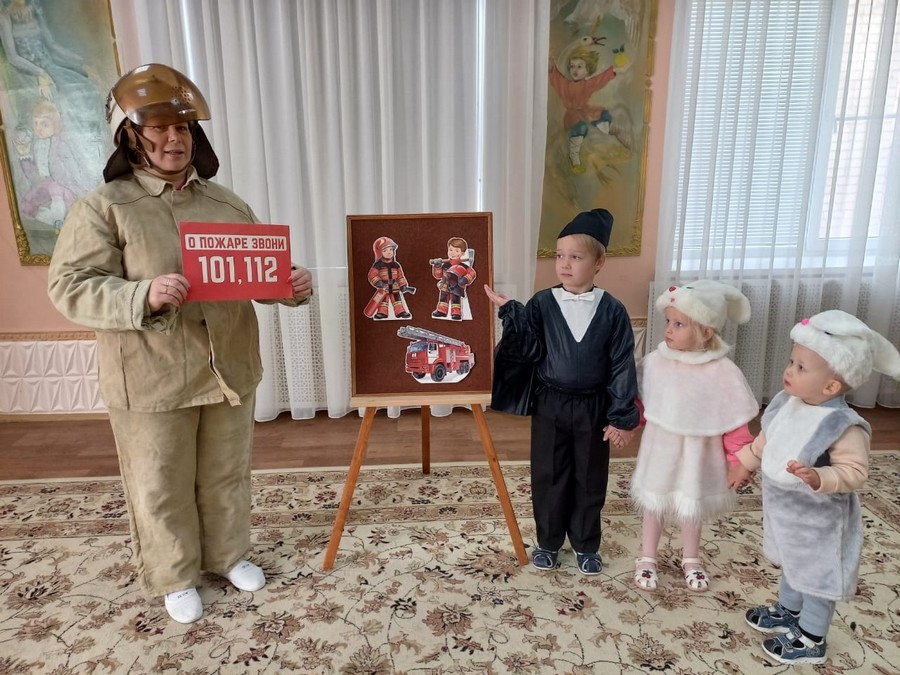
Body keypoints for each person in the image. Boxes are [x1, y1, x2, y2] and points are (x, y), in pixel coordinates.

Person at [46, 64, 314, 624]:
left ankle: (227, 555)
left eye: (184, 128)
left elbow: (257, 273)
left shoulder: (227, 205)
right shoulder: (104, 207)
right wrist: (140, 294)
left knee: (226, 473)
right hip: (153, 377)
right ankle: (174, 575)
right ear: (131, 136)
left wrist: (289, 285)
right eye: (161, 128)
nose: (175, 138)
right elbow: (69, 286)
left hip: (228, 368)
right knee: (160, 482)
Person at [731, 310, 900, 665]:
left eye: (801, 367)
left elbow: (855, 472)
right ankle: (789, 610)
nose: (789, 370)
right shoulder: (785, 403)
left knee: (818, 576)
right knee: (794, 563)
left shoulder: (842, 424)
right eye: (791, 362)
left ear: (831, 387)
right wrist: (745, 463)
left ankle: (812, 637)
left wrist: (820, 477)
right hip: (786, 512)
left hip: (821, 521)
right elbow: (767, 440)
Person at [484, 208, 640, 575]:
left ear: (599, 262)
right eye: (559, 256)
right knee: (549, 473)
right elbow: (528, 347)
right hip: (550, 403)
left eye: (575, 257)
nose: (564, 264)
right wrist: (512, 311)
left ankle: (586, 543)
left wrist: (621, 417)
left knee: (589, 476)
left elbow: (622, 365)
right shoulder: (541, 303)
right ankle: (548, 541)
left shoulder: (613, 311)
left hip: (593, 407)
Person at [630, 281, 759, 592]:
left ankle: (691, 557)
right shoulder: (656, 362)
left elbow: (734, 425)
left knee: (692, 504)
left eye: (679, 324)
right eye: (668, 321)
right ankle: (647, 556)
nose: (668, 330)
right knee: (654, 501)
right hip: (661, 450)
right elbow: (641, 404)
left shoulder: (723, 372)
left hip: (700, 454)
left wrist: (739, 462)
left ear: (706, 330)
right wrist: (623, 424)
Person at [363, 236, 413, 320]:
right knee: (382, 301)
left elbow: (400, 276)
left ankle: (400, 311)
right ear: (379, 253)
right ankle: (382, 313)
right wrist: (378, 282)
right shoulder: (378, 265)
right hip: (383, 288)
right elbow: (372, 275)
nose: (389, 252)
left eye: (391, 249)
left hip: (395, 287)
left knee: (397, 301)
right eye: (385, 250)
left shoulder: (396, 265)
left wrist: (403, 285)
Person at [431, 236, 476, 321]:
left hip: (457, 286)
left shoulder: (463, 266)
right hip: (445, 285)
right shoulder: (445, 265)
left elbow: (472, 273)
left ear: (462, 253)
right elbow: (438, 276)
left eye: (456, 251)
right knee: (443, 298)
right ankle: (441, 311)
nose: (453, 253)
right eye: (450, 250)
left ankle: (456, 313)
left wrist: (465, 279)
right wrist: (437, 266)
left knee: (455, 299)